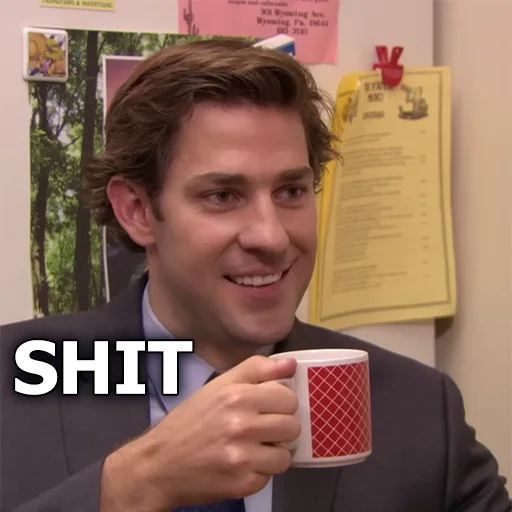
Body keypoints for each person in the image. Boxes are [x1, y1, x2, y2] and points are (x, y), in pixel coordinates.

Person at [1, 39, 510, 512]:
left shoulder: (418, 409)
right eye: (223, 196)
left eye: (291, 192)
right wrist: (135, 482)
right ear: (137, 210)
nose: (271, 237)